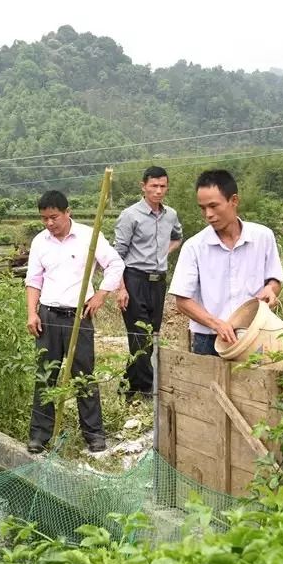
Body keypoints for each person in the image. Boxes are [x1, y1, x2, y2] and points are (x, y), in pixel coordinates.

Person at [24, 190, 124, 454]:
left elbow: (115, 264)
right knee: (45, 375)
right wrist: (31, 313)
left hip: (79, 315)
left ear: (67, 212)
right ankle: (39, 435)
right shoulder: (40, 242)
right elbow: (34, 280)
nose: (49, 223)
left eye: (53, 217)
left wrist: (102, 294)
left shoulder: (89, 237)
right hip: (47, 316)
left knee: (83, 375)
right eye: (44, 218)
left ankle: (94, 434)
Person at [167, 169, 283, 355]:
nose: (208, 214)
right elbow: (182, 300)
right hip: (209, 340)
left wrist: (271, 289)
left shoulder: (263, 237)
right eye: (203, 208)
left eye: (214, 206)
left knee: (254, 384)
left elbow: (275, 279)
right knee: (207, 385)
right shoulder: (194, 247)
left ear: (234, 200)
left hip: (254, 334)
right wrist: (217, 324)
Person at [113, 166, 183, 402]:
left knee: (152, 335)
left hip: (158, 282)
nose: (158, 191)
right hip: (135, 279)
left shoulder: (170, 214)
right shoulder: (130, 215)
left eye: (163, 186)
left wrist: (163, 253)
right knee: (138, 335)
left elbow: (177, 237)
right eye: (154, 186)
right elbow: (117, 256)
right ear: (143, 186)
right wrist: (121, 288)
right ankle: (147, 390)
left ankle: (127, 387)